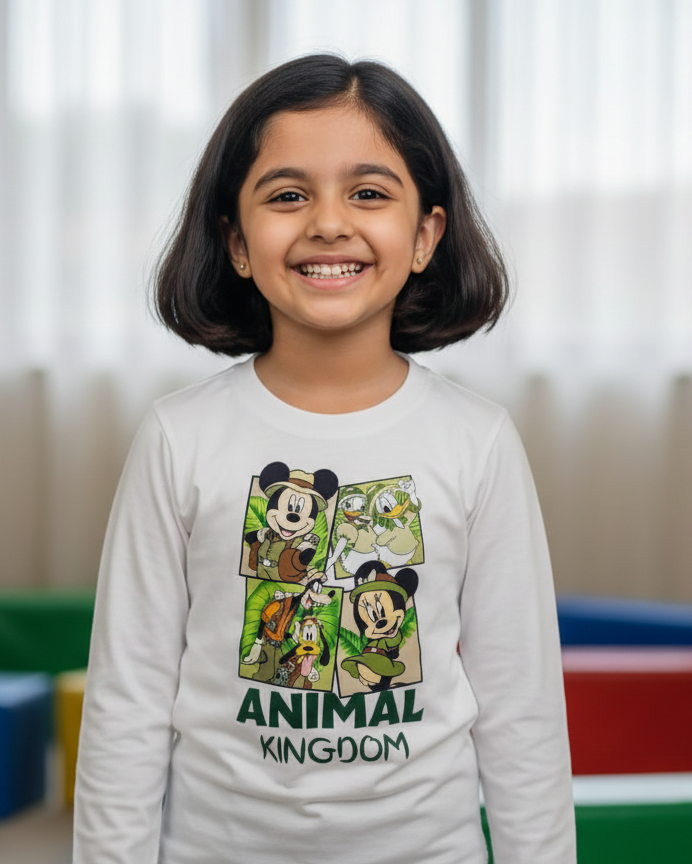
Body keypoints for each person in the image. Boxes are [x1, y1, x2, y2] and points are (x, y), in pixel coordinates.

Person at [73, 54, 576, 864]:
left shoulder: (476, 439)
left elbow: (522, 713)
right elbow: (125, 708)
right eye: (287, 195)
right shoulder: (179, 437)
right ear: (237, 242)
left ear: (425, 236)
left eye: (369, 192)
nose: (329, 222)